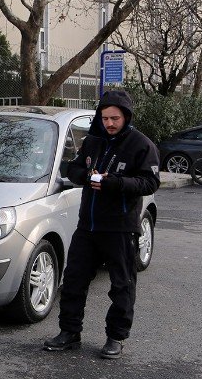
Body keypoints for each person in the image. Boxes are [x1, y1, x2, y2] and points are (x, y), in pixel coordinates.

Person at [44, 90, 160, 359]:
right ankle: (70, 333)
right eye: (105, 117)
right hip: (88, 226)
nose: (109, 123)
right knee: (73, 280)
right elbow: (71, 170)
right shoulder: (93, 142)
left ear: (126, 117)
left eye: (115, 118)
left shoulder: (141, 145)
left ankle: (115, 337)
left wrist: (114, 182)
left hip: (120, 228)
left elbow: (150, 183)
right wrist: (87, 176)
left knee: (122, 285)